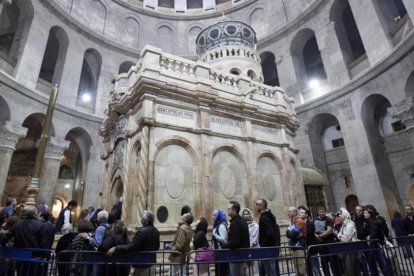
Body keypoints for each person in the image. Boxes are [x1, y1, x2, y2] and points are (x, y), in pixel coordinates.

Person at [107, 211, 160, 276]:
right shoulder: (155, 230)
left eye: (142, 218)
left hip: (143, 265)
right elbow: (157, 246)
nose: (141, 219)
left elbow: (132, 247)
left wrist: (116, 248)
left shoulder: (142, 232)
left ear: (145, 221)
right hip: (151, 263)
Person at [1, 206, 48, 276]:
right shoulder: (40, 225)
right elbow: (43, 242)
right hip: (34, 256)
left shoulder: (17, 224)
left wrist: (4, 245)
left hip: (19, 255)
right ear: (35, 213)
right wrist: (44, 255)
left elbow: (5, 238)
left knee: (20, 272)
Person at [364, 206, 394, 276]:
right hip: (374, 246)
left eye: (366, 213)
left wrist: (371, 238)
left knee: (384, 265)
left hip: (378, 246)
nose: (364, 214)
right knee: (376, 265)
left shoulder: (375, 222)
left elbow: (376, 234)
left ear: (370, 213)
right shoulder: (368, 223)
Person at [222, 201, 250, 276]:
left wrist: (223, 245)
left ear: (234, 211)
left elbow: (234, 242)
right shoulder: (242, 221)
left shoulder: (235, 223)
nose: (227, 210)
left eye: (229, 209)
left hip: (236, 256)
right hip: (242, 255)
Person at [255, 199, 280, 276]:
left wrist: (263, 244)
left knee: (270, 271)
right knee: (270, 270)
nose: (255, 206)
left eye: (257, 204)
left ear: (262, 206)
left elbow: (269, 233)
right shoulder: (268, 216)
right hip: (270, 248)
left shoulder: (264, 218)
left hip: (267, 248)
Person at [336, 208, 360, 276]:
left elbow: (346, 239)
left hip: (351, 248)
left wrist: (341, 236)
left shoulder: (350, 223)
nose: (338, 219)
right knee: (345, 268)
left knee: (350, 268)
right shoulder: (344, 224)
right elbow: (338, 235)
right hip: (344, 248)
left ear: (344, 215)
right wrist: (341, 236)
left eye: (340, 217)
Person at [287, 206, 307, 276]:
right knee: (296, 265)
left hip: (299, 245)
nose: (288, 213)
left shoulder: (299, 221)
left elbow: (292, 234)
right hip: (294, 245)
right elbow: (288, 234)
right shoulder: (292, 221)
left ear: (294, 212)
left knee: (300, 265)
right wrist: (289, 232)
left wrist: (289, 231)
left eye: (289, 211)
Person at [242, 207, 260, 276]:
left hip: (254, 249)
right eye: (244, 214)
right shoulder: (242, 225)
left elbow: (254, 238)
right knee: (247, 270)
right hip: (245, 249)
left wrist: (249, 247)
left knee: (255, 269)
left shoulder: (255, 225)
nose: (246, 215)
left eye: (247, 214)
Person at [212, 209, 229, 276]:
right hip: (218, 252)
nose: (212, 216)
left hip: (222, 252)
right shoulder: (216, 225)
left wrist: (215, 235)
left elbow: (224, 240)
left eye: (214, 215)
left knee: (222, 271)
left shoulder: (221, 226)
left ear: (219, 216)